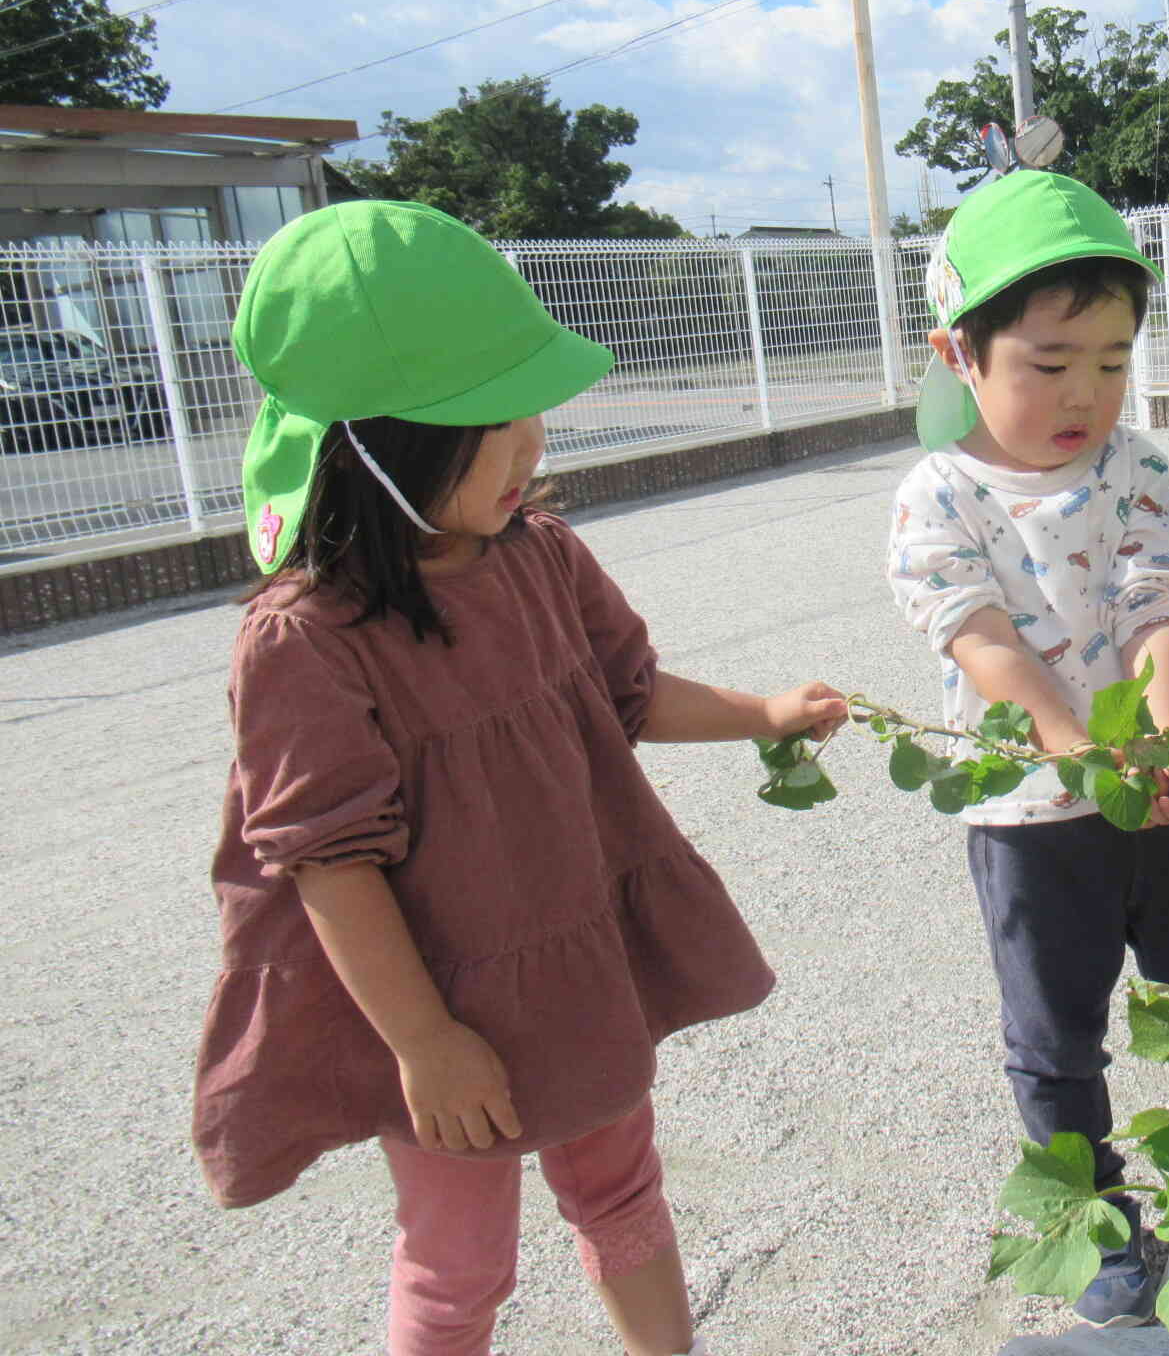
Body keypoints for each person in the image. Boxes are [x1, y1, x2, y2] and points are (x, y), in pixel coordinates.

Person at [191, 201, 846, 1356]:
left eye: (529, 403)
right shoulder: (306, 638)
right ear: (378, 445)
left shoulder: (536, 552)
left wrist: (764, 716)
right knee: (458, 1262)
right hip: (435, 992)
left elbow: (627, 690)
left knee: (622, 1192)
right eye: (493, 417)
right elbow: (327, 865)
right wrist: (424, 1044)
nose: (534, 439)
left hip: (571, 959)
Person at [887, 171, 1169, 1330]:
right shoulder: (937, 494)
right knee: (1056, 1036)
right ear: (960, 354)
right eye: (1048, 365)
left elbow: (1161, 601)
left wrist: (1163, 729)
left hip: (1159, 792)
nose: (1084, 394)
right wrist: (1085, 757)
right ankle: (1092, 1217)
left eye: (1109, 361)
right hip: (1031, 818)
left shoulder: (1133, 466)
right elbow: (986, 646)